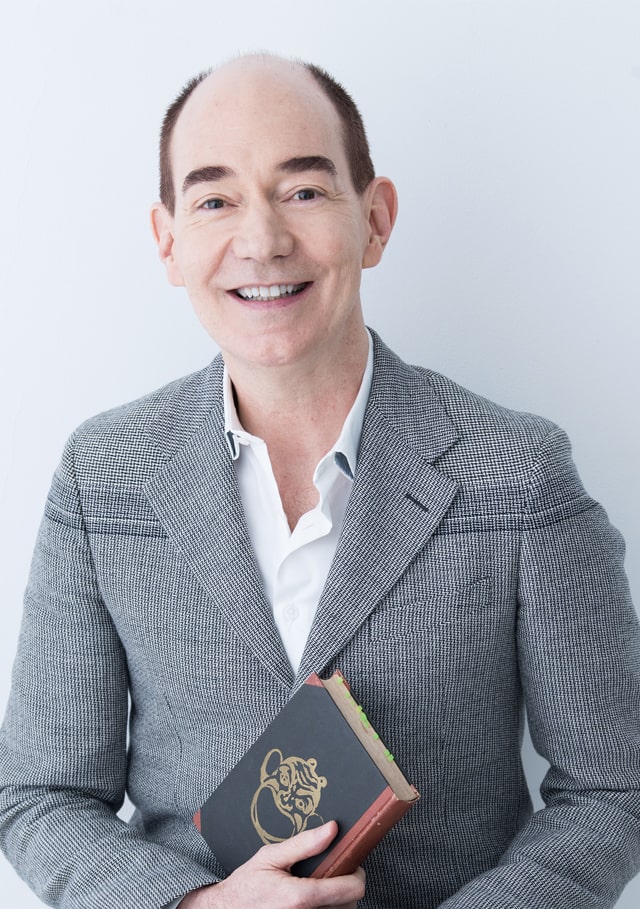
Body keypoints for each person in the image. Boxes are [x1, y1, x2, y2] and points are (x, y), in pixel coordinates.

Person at [1, 52, 639, 909]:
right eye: (215, 201)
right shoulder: (101, 476)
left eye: (303, 191)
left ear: (375, 220)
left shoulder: (521, 475)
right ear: (169, 241)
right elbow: (41, 794)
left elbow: (613, 789)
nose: (261, 240)